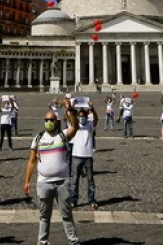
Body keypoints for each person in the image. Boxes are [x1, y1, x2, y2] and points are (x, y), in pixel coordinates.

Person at [24, 98, 81, 245]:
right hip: (43, 182)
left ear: (56, 121)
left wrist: (70, 110)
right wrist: (27, 181)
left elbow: (75, 126)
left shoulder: (63, 135)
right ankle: (42, 242)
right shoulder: (38, 138)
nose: (48, 121)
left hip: (62, 182)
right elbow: (31, 161)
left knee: (67, 214)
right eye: (46, 119)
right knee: (44, 215)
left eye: (51, 119)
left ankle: (73, 241)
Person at [69, 105, 98, 209]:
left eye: (83, 116)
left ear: (86, 117)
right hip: (76, 156)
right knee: (75, 180)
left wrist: (93, 110)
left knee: (90, 180)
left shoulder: (90, 125)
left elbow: (96, 120)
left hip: (88, 156)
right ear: (77, 117)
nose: (82, 118)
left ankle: (92, 199)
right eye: (80, 116)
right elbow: (67, 117)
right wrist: (70, 108)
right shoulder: (75, 125)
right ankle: (73, 200)